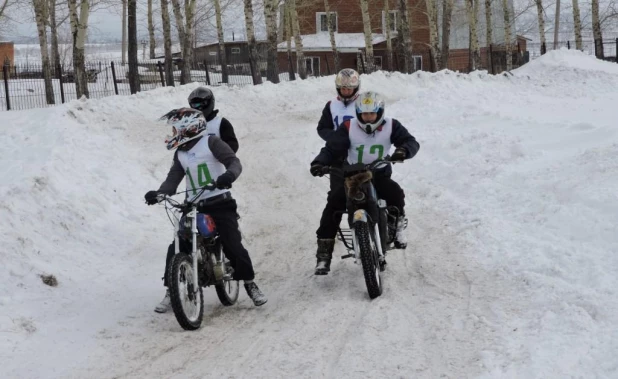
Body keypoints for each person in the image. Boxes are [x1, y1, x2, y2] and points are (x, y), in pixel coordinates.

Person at [144, 108, 267, 313]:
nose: (173, 133)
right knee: (177, 245)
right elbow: (173, 179)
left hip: (219, 202)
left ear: (190, 127)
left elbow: (233, 162)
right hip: (192, 205)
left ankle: (249, 282)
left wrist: (228, 176)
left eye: (176, 129)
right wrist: (159, 193)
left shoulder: (211, 142)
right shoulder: (181, 153)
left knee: (232, 243)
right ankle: (171, 289)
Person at [310, 91, 420, 273]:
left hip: (379, 174)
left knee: (395, 193)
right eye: (364, 114)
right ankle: (324, 253)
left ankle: (397, 226)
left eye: (372, 114)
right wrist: (319, 162)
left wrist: (403, 151)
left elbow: (410, 141)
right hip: (354, 176)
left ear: (379, 113)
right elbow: (331, 148)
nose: (368, 118)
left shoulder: (391, 125)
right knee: (333, 204)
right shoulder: (348, 127)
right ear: (358, 113)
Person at [313, 68, 361, 275]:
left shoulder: (364, 104)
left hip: (361, 154)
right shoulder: (331, 106)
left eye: (350, 88)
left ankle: (371, 236)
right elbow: (322, 128)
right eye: (343, 88)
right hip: (338, 157)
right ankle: (324, 254)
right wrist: (336, 139)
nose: (346, 91)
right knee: (335, 201)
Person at [187, 86, 239, 153]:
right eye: (195, 105)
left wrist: (217, 152)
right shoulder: (190, 124)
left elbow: (233, 145)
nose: (199, 108)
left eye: (202, 104)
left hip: (216, 161)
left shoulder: (221, 123)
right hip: (196, 162)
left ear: (210, 102)